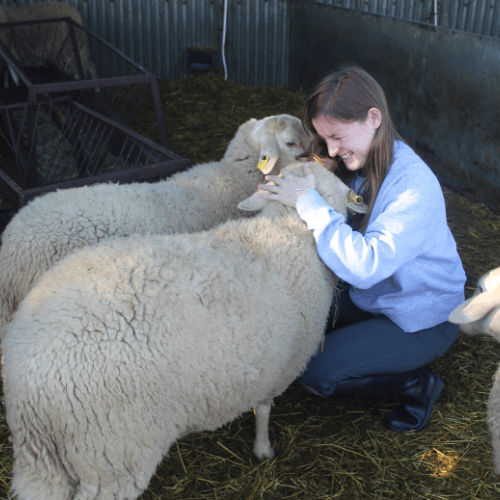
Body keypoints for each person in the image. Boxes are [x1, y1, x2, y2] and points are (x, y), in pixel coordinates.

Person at [258, 66, 466, 433]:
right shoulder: (359, 162)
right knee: (295, 320)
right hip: (374, 295)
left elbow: (366, 265)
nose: (333, 149)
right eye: (325, 139)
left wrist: (308, 202)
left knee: (312, 372)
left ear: (373, 118)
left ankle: (417, 385)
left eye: (337, 136)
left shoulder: (412, 188)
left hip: (420, 314)